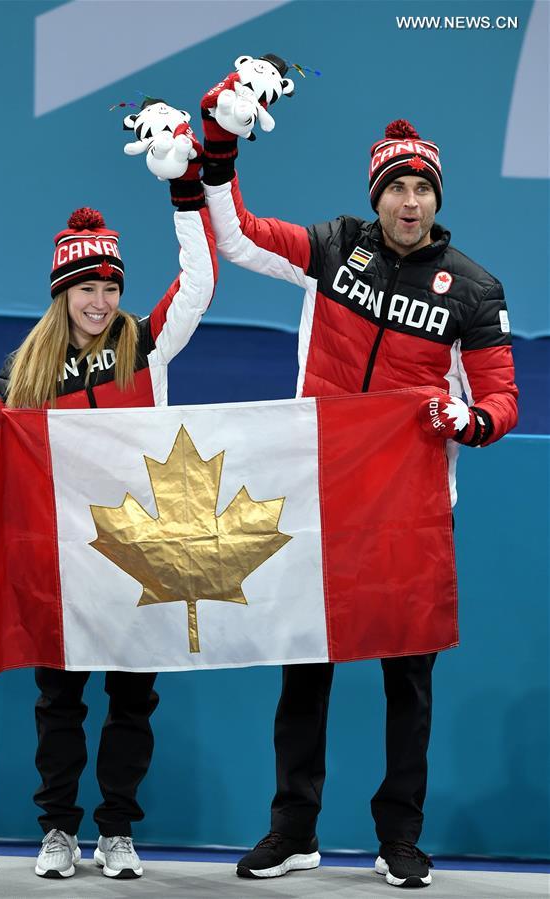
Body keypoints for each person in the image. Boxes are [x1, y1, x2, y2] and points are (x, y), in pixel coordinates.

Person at [201, 79, 518, 889]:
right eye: (395, 187)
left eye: (421, 187)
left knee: (405, 676)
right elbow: (234, 237)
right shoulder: (335, 248)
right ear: (374, 196)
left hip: (411, 513)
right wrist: (221, 145)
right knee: (303, 663)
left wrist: (468, 423)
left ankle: (398, 838)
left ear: (435, 196)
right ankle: (292, 829)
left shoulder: (473, 290)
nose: (408, 202)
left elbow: (500, 399)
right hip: (317, 498)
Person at [0, 123, 217, 880]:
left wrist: (184, 191)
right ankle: (57, 831)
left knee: (133, 701)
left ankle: (116, 831)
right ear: (62, 293)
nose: (100, 301)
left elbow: (199, 282)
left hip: (144, 551)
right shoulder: (26, 367)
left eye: (109, 287)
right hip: (64, 556)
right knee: (59, 702)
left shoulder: (146, 341)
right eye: (86, 289)